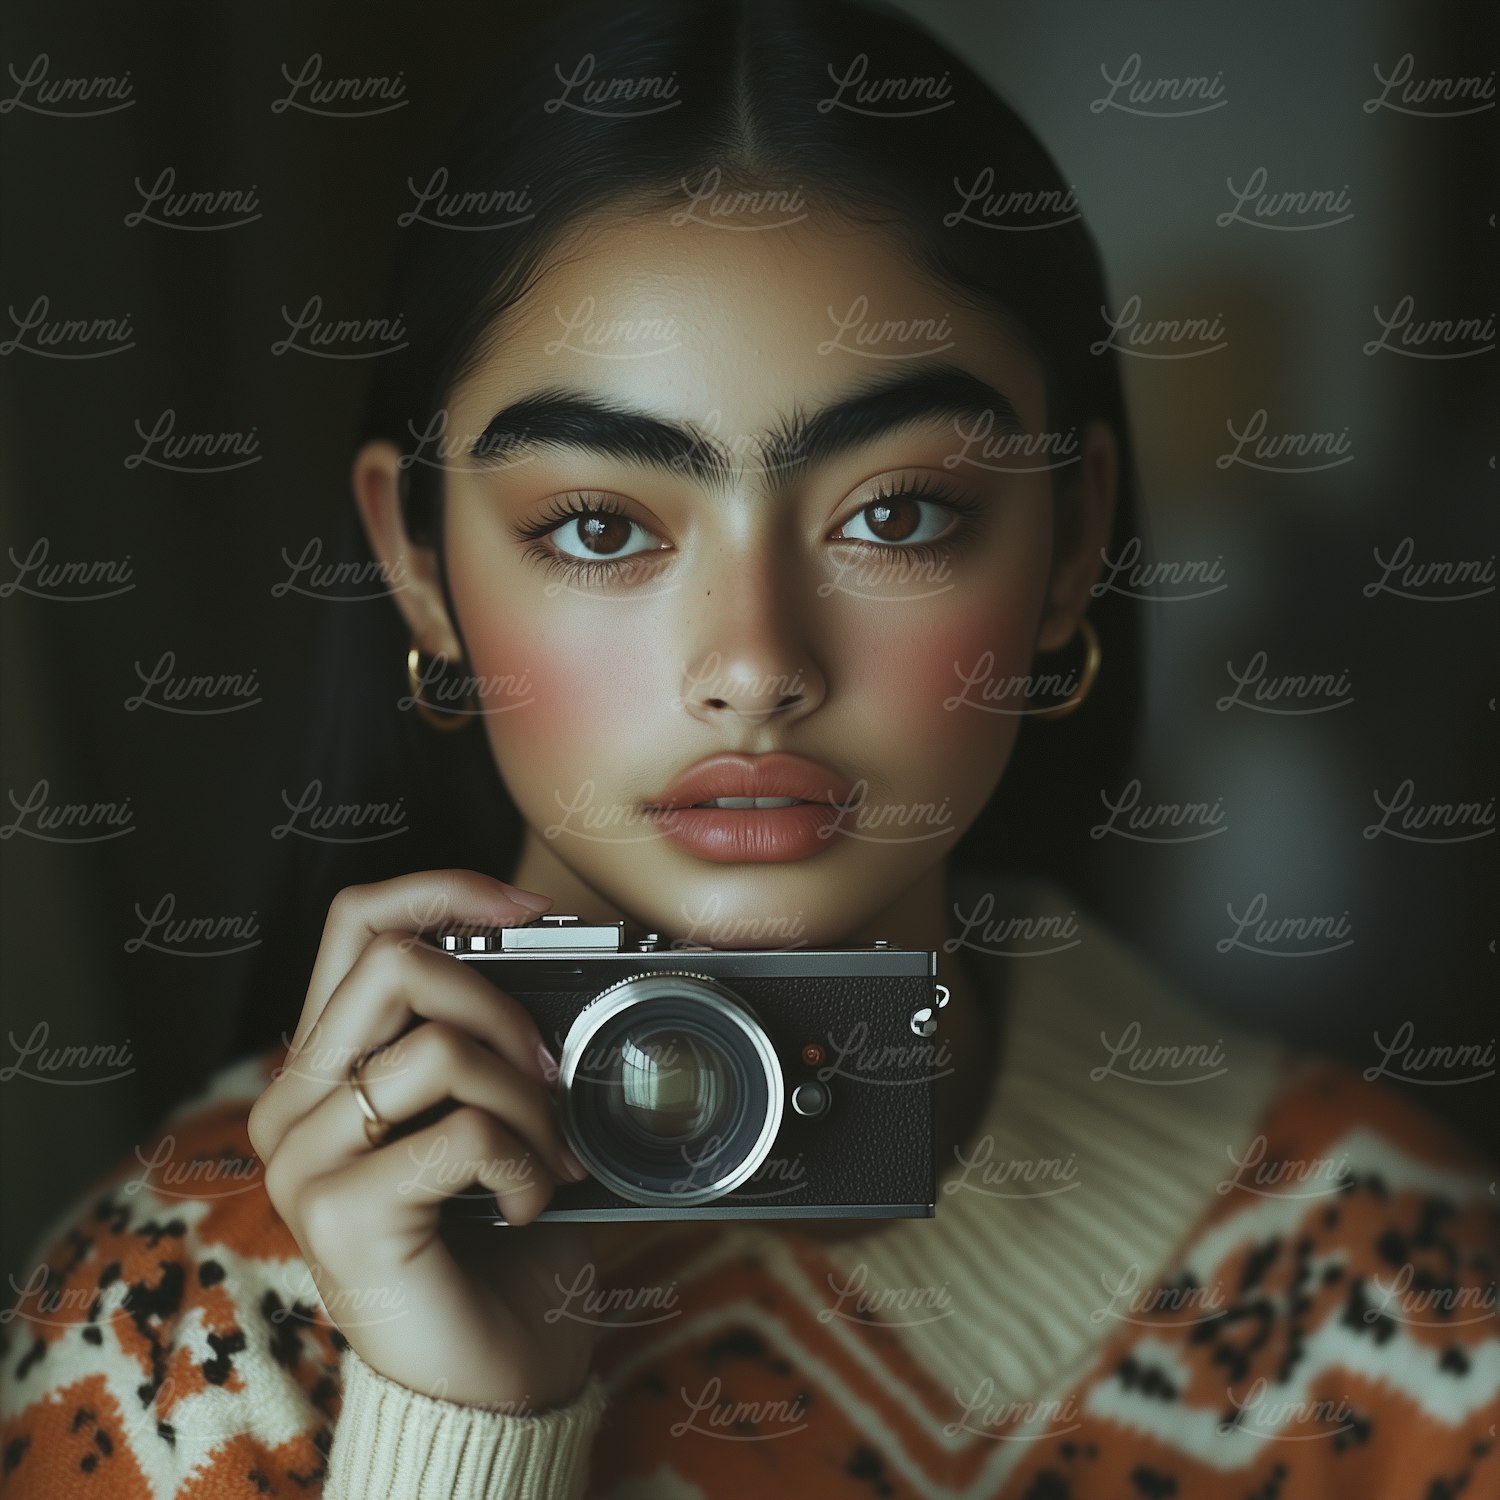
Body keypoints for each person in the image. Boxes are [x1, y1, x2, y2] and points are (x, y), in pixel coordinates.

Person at [2, 1, 1495, 1496]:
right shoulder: (170, 1338)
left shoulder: (1418, 1307)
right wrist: (459, 1433)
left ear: (1070, 539)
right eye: (599, 527)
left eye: (896, 514)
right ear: (417, 559)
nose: (756, 666)